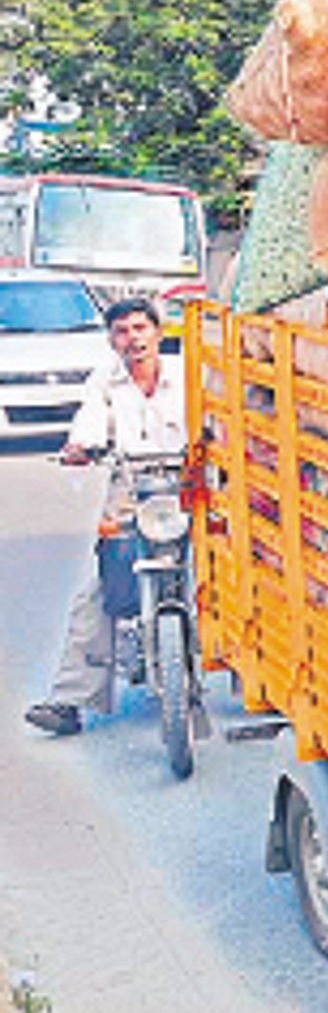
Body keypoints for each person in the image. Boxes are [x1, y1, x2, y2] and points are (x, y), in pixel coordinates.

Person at [25, 297, 186, 736]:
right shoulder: (104, 382)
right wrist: (82, 446)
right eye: (122, 331)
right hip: (132, 491)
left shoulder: (189, 375)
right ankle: (69, 700)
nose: (133, 338)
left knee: (236, 567)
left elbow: (216, 415)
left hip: (191, 487)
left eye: (140, 328)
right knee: (99, 590)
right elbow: (91, 421)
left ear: (158, 332)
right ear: (111, 341)